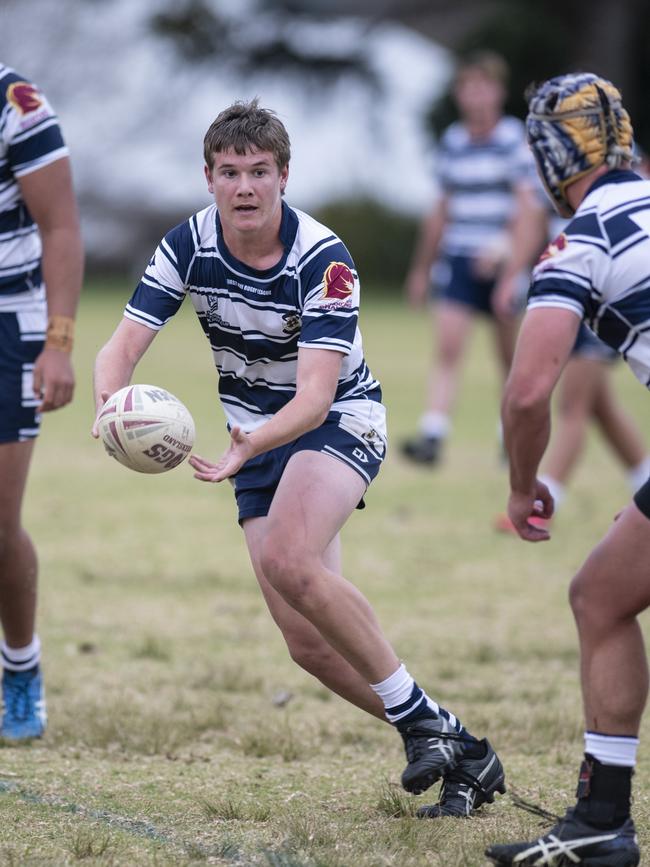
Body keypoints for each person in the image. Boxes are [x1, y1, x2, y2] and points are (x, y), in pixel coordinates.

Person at [93, 99, 505, 817]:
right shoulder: (187, 243)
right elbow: (121, 347)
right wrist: (110, 406)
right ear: (209, 177)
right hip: (253, 434)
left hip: (337, 419)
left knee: (290, 557)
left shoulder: (324, 258)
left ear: (285, 176)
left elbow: (315, 398)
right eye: (230, 172)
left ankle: (419, 724)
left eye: (259, 171)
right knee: (309, 646)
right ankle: (462, 746)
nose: (244, 187)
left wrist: (251, 440)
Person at [486, 73, 648, 866]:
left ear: (551, 154)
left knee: (599, 597)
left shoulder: (583, 240)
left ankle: (604, 823)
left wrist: (524, 485)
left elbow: (526, 393)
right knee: (603, 590)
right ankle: (601, 821)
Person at [401, 51, 541, 466]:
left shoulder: (515, 139)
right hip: (460, 259)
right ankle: (433, 433)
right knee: (448, 348)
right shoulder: (454, 142)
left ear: (498, 92)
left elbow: (529, 210)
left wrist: (509, 260)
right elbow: (440, 210)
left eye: (482, 85)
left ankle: (507, 436)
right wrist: (421, 269)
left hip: (503, 262)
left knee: (508, 358)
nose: (474, 95)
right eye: (467, 86)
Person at [0, 65, 83, 740]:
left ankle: (20, 664)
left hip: (9, 326)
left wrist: (58, 341)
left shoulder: (17, 105)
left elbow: (59, 226)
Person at [495, 323, 650, 533]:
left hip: (594, 310)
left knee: (573, 408)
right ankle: (644, 480)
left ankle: (544, 505)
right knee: (600, 407)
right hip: (575, 309)